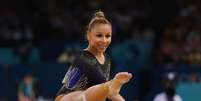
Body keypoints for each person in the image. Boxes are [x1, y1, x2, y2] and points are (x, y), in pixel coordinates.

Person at [55, 11, 133, 101]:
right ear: (89, 35)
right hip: (65, 98)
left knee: (98, 94)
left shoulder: (107, 59)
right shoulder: (84, 57)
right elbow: (108, 89)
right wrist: (114, 83)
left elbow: (109, 92)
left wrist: (114, 85)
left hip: (90, 96)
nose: (104, 40)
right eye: (99, 35)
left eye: (108, 36)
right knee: (85, 94)